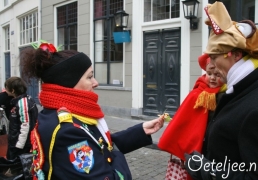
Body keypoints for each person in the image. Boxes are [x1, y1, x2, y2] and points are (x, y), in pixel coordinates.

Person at [19, 42, 165, 180]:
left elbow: (98, 143)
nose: (95, 83)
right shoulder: (67, 130)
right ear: (68, 83)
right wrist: (117, 154)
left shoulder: (60, 114)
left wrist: (140, 131)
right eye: (89, 77)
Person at [184, 1, 258, 179]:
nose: (211, 65)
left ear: (237, 55)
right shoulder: (248, 86)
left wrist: (208, 171)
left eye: (214, 57)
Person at [158, 54, 225, 179]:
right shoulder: (197, 94)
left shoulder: (227, 94)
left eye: (217, 75)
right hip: (197, 151)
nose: (212, 78)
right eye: (209, 74)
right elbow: (183, 122)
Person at [4, 77, 38, 160]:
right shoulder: (22, 100)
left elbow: (25, 125)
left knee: (17, 167)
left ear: (13, 90)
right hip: (16, 142)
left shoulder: (22, 103)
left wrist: (19, 146)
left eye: (7, 88)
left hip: (20, 145)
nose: (5, 91)